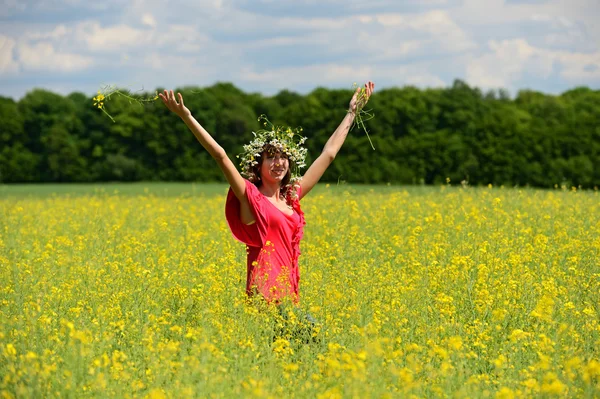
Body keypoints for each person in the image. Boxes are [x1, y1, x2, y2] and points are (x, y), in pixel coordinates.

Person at [159, 81, 375, 305]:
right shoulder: (251, 198)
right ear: (258, 165)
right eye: (271, 157)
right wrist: (186, 117)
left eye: (283, 158)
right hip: (264, 297)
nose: (279, 163)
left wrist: (352, 112)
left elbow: (328, 154)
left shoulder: (291, 197)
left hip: (287, 294)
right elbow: (220, 155)